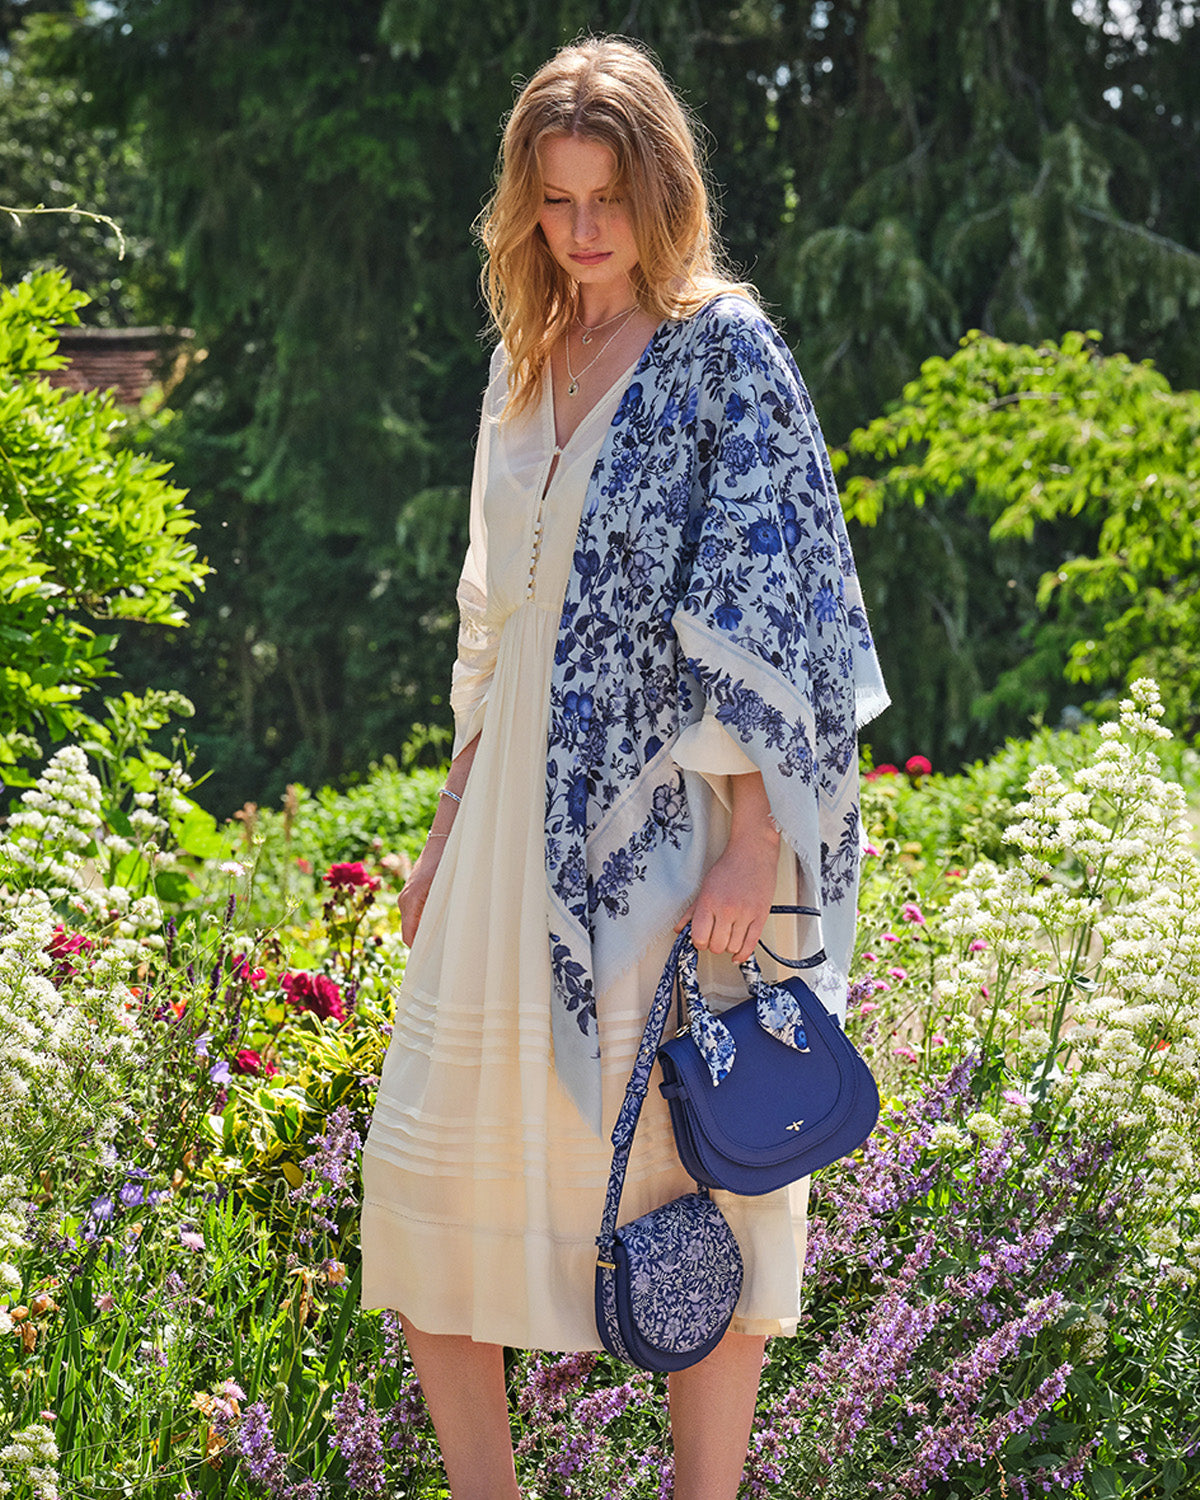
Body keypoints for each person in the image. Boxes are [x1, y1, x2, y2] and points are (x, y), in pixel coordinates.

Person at [359, 35, 888, 1500]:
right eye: (555, 202)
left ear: (663, 193)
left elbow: (778, 611)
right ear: (524, 209)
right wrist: (447, 822)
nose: (583, 233)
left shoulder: (727, 351)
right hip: (504, 821)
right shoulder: (524, 359)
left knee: (692, 1182)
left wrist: (751, 846)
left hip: (666, 831)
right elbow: (491, 615)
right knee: (427, 1184)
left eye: (607, 199)